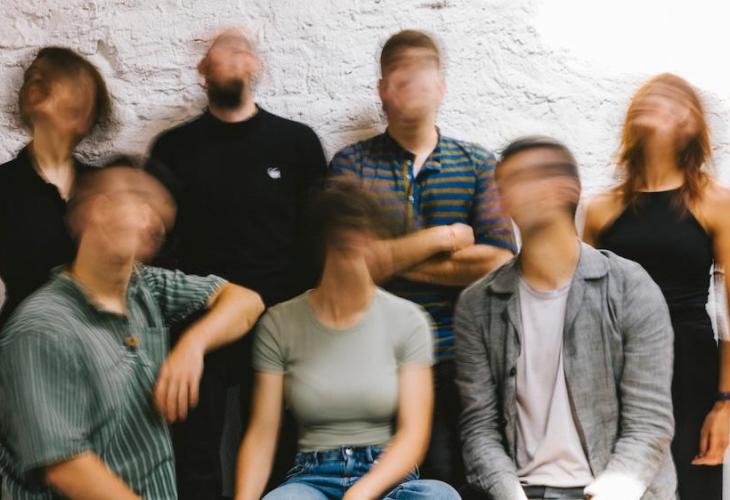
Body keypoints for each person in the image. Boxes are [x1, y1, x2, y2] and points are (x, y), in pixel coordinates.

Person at [0, 161, 264, 499]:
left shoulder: (146, 287)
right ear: (99, 209)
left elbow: (246, 302)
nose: (155, 222)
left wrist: (193, 345)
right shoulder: (41, 328)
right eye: (141, 204)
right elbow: (67, 467)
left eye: (160, 213)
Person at [147, 27, 327, 498]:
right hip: (201, 321)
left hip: (281, 320)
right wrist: (184, 325)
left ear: (256, 66)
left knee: (281, 452)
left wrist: (303, 319)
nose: (230, 58)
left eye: (241, 51)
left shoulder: (297, 143)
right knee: (194, 452)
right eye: (218, 53)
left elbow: (317, 241)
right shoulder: (173, 148)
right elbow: (160, 246)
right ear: (201, 70)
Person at [329, 29, 515, 487]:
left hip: (459, 355)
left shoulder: (476, 163)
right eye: (400, 74)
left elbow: (497, 260)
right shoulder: (350, 165)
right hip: (373, 355)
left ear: (442, 87)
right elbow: (347, 263)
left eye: (423, 73)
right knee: (382, 484)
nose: (412, 84)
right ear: (382, 89)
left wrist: (387, 259)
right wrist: (442, 237)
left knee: (457, 480)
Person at [456, 136, 676, 500]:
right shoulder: (478, 304)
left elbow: (649, 423)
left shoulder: (629, 287)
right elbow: (479, 429)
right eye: (506, 183)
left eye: (529, 176)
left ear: (568, 187)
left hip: (615, 488)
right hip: (523, 491)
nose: (514, 191)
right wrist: (511, 495)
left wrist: (611, 491)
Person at [234, 178, 459, 500]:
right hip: (312, 478)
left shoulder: (409, 320)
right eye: (343, 239)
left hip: (388, 478)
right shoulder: (280, 322)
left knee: (439, 496)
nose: (355, 246)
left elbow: (413, 435)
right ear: (325, 241)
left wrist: (360, 493)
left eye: (363, 236)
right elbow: (262, 433)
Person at [584, 73, 730, 499]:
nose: (655, 102)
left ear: (691, 124)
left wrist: (725, 402)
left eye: (671, 100)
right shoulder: (599, 208)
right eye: (648, 97)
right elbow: (579, 308)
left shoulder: (714, 203)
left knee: (691, 488)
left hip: (689, 365)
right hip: (617, 365)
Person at [0, 46, 110, 325]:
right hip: (26, 340)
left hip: (99, 340)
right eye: (33, 76)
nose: (36, 81)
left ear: (87, 115)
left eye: (54, 76)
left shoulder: (107, 186)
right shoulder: (4, 185)